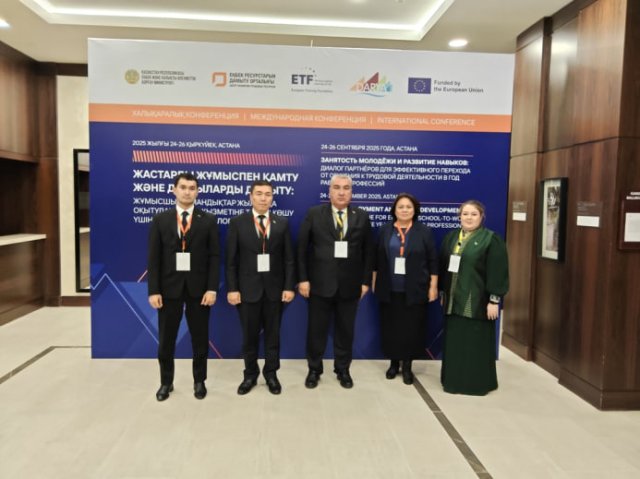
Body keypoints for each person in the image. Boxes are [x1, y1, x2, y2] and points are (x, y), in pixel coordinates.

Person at [147, 172, 220, 401]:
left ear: (197, 192)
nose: (187, 192)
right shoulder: (161, 219)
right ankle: (166, 382)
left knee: (200, 339)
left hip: (200, 291)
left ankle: (199, 381)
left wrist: (212, 288)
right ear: (174, 190)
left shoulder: (208, 220)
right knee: (166, 340)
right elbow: (154, 258)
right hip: (168, 290)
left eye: (192, 188)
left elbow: (214, 257)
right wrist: (153, 290)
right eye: (183, 187)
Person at [297, 174, 374, 389]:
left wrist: (365, 281)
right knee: (316, 331)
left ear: (351, 192)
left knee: (346, 331)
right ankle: (314, 369)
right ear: (329, 191)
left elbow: (369, 252)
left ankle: (343, 369)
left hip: (350, 285)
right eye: (337, 187)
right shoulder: (314, 214)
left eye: (346, 188)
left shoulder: (361, 216)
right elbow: (301, 249)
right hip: (319, 285)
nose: (341, 192)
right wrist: (303, 279)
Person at [226, 180, 295, 395]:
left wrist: (289, 286)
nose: (263, 198)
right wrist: (232, 289)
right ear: (250, 197)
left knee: (273, 336)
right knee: (249, 336)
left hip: (275, 290)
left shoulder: (282, 223)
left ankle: (271, 374)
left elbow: (289, 259)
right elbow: (231, 260)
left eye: (268, 194)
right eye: (259, 193)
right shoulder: (238, 222)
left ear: (272, 198)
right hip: (247, 290)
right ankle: (250, 374)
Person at [439, 200, 509, 396]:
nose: (469, 218)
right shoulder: (451, 237)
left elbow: (498, 271)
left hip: (477, 302)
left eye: (473, 214)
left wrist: (494, 300)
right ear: (459, 216)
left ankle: (476, 384)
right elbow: (443, 267)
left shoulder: (490, 239)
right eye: (465, 214)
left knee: (475, 343)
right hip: (453, 302)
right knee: (455, 343)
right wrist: (444, 292)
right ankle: (453, 382)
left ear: (481, 217)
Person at [373, 193, 438, 385]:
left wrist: (433, 286)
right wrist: (375, 282)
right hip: (389, 289)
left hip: (415, 289)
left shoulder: (424, 231)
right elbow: (377, 259)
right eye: (400, 207)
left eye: (408, 207)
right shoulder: (385, 230)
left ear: (414, 210)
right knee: (391, 328)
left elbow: (433, 261)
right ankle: (394, 364)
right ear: (394, 210)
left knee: (411, 329)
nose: (404, 210)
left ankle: (408, 366)